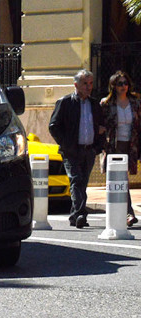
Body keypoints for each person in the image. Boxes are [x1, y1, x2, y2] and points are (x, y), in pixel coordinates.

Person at [49, 69, 106, 228]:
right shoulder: (65, 102)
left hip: (89, 150)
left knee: (82, 183)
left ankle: (75, 215)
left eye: (90, 83)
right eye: (85, 83)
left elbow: (102, 126)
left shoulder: (94, 104)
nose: (89, 87)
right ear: (76, 85)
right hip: (71, 151)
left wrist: (97, 147)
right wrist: (66, 145)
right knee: (76, 180)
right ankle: (81, 214)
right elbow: (53, 126)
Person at [100, 70, 140, 227]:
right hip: (114, 145)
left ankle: (122, 212)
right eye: (120, 84)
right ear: (113, 86)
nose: (124, 86)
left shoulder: (135, 102)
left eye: (125, 83)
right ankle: (128, 213)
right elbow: (100, 123)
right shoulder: (106, 104)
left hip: (131, 145)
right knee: (122, 178)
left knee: (123, 179)